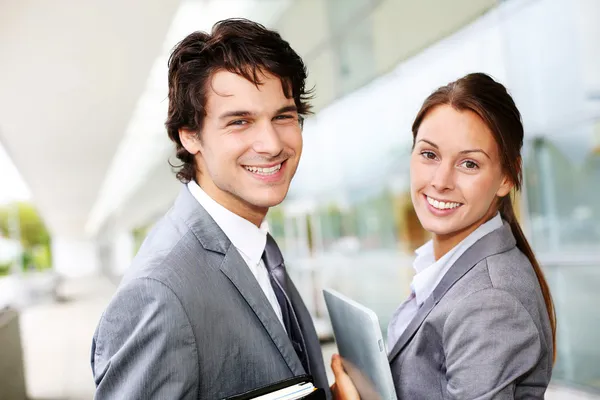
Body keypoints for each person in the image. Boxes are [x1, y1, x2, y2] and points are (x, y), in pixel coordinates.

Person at [91, 18, 330, 399]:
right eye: (240, 121)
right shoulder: (158, 294)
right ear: (190, 135)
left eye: (283, 116)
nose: (270, 144)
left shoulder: (255, 244)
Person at [331, 73, 556, 399]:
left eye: (468, 163)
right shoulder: (445, 267)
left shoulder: (491, 303)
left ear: (507, 177)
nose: (440, 181)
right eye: (429, 155)